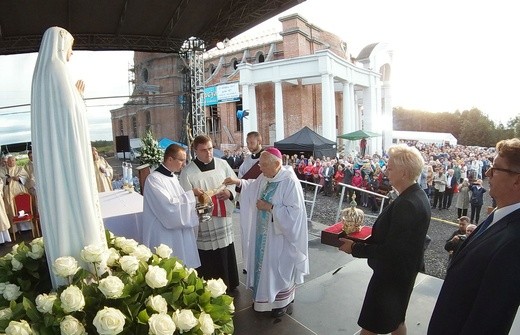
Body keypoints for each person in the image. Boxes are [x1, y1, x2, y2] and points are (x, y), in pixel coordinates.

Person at [31, 26, 107, 288]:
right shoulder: (57, 70)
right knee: (77, 205)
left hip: (57, 157)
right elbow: (69, 118)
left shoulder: (43, 75)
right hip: (67, 158)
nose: (71, 54)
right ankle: (86, 270)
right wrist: (79, 97)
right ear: (60, 45)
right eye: (71, 48)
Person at [428, 138, 520, 335]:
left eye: (495, 168)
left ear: (517, 180)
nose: (487, 174)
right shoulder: (501, 214)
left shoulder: (515, 241)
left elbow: (490, 318)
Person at [339, 144, 431, 335]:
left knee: (371, 326)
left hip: (390, 277)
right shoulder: (417, 194)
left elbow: (392, 250)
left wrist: (355, 248)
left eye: (389, 168)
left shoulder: (406, 204)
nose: (385, 171)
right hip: (403, 272)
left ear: (404, 173)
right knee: (397, 321)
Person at [223, 147, 309, 317]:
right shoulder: (265, 176)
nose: (260, 168)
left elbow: (295, 213)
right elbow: (253, 186)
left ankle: (281, 301)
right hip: (263, 235)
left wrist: (270, 207)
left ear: (277, 164)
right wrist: (238, 182)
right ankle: (264, 298)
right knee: (265, 267)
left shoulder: (289, 181)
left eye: (263, 165)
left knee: (278, 268)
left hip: (279, 238)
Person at [179, 135, 239, 291]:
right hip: (205, 221)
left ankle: (230, 283)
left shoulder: (223, 164)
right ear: (195, 151)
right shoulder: (187, 172)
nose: (209, 153)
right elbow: (184, 198)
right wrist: (196, 197)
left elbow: (233, 183)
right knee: (208, 253)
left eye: (210, 148)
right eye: (204, 150)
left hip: (223, 219)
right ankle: (210, 288)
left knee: (225, 250)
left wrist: (229, 193)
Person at [142, 144, 203, 268]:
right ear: (170, 159)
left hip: (176, 231)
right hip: (163, 232)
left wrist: (193, 198)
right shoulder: (154, 179)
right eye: (181, 160)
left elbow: (178, 199)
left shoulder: (172, 177)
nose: (184, 164)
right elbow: (168, 206)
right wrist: (191, 194)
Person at [236, 131, 264, 273]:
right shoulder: (247, 161)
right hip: (247, 202)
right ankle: (247, 264)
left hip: (261, 202)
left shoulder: (267, 159)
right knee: (246, 231)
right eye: (247, 143)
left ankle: (261, 262)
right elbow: (241, 179)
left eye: (251, 143)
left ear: (259, 141)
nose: (248, 146)